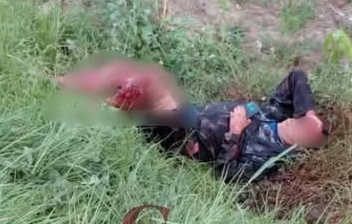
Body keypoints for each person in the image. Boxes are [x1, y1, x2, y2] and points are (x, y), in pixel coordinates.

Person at [56, 58, 327, 182]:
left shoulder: (267, 156)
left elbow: (226, 175)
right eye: (302, 119)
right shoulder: (276, 114)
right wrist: (309, 113)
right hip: (188, 113)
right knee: (136, 80)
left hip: (186, 139)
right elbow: (297, 76)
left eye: (304, 129)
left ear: (299, 145)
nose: (299, 121)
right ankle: (66, 85)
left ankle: (100, 101)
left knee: (148, 87)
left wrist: (235, 132)